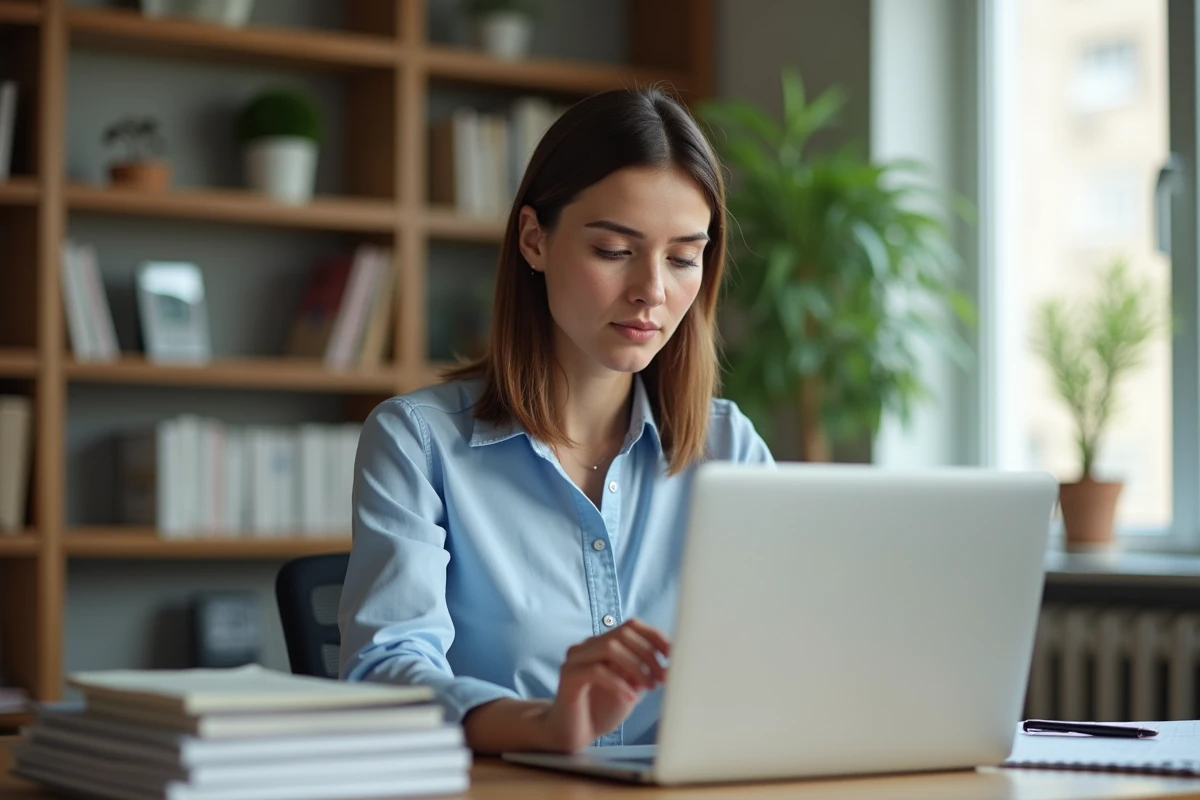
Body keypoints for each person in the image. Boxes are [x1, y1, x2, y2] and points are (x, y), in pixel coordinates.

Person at [337, 85, 774, 756]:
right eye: (613, 251)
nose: (652, 291)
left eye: (684, 258)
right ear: (534, 240)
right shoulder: (418, 442)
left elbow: (789, 652)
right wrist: (546, 724)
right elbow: (384, 672)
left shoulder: (728, 447)